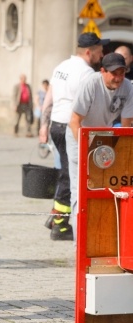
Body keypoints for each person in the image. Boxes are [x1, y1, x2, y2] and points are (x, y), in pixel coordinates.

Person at [39, 32, 109, 241]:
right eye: (99, 51)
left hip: (56, 125)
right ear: (89, 52)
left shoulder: (61, 67)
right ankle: (60, 223)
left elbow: (49, 100)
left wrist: (43, 127)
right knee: (71, 175)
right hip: (72, 127)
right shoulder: (87, 73)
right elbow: (89, 105)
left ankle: (56, 216)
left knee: (65, 172)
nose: (102, 54)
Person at [67, 52, 133, 241]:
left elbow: (127, 125)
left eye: (122, 73)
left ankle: (101, 238)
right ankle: (79, 243)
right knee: (79, 188)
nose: (119, 78)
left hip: (104, 136)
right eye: (114, 73)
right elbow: (74, 121)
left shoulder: (128, 87)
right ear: (102, 71)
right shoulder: (90, 84)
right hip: (79, 134)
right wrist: (85, 151)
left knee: (105, 185)